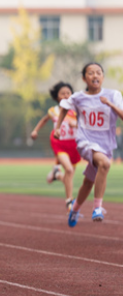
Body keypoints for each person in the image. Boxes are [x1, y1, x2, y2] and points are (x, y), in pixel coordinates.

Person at [55, 63, 123, 227]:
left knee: (88, 182)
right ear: (84, 78)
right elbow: (64, 107)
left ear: (103, 77)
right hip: (85, 142)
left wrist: (111, 105)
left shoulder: (113, 95)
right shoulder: (78, 97)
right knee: (105, 164)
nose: (95, 76)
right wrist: (57, 128)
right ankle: (97, 208)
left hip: (105, 145)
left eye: (98, 73)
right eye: (91, 73)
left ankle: (75, 209)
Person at [31, 81, 82, 211]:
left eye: (68, 93)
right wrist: (35, 130)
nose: (65, 95)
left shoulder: (76, 110)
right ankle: (69, 202)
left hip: (74, 145)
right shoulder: (54, 111)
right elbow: (44, 120)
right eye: (62, 93)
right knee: (69, 170)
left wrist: (75, 123)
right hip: (59, 144)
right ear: (56, 97)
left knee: (68, 178)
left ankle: (57, 175)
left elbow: (83, 123)